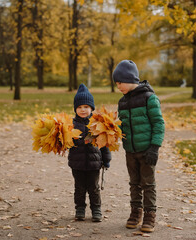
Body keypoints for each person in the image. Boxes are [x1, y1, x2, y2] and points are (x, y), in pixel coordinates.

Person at [113, 60, 165, 232]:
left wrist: (154, 147)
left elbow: (158, 124)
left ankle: (150, 215)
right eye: (116, 83)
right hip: (130, 151)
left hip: (147, 151)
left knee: (148, 184)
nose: (118, 86)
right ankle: (136, 212)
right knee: (134, 183)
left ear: (130, 79)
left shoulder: (149, 98)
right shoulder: (122, 102)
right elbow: (122, 126)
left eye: (119, 82)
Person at [68, 83, 111, 222]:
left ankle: (96, 209)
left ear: (91, 108)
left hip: (94, 163)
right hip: (77, 162)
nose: (82, 110)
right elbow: (67, 142)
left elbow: (104, 144)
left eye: (86, 107)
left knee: (94, 188)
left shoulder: (98, 124)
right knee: (79, 188)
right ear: (75, 109)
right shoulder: (71, 125)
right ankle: (79, 209)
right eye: (79, 107)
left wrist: (106, 159)